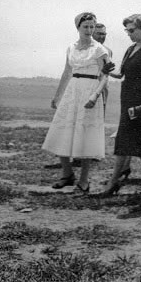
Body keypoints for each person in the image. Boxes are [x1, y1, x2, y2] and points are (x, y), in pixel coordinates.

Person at [42, 12, 110, 193]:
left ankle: (84, 180)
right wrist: (57, 96)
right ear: (78, 28)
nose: (89, 30)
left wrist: (95, 96)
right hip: (72, 91)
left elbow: (105, 76)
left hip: (90, 90)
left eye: (92, 27)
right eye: (85, 27)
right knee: (62, 130)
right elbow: (67, 72)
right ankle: (67, 174)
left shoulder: (99, 50)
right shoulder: (71, 48)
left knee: (85, 134)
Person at [97, 15, 141, 196]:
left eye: (132, 30)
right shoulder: (130, 49)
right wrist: (107, 71)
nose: (129, 34)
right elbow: (122, 74)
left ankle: (116, 182)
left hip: (139, 101)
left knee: (134, 142)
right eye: (127, 31)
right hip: (127, 98)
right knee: (132, 142)